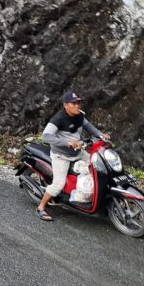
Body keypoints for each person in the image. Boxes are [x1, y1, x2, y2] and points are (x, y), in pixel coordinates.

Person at [36, 91, 110, 221]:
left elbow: (89, 127)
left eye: (78, 103)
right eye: (74, 103)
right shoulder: (58, 118)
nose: (77, 106)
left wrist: (100, 134)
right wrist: (66, 142)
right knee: (58, 184)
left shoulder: (80, 116)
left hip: (78, 152)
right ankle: (41, 207)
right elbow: (46, 136)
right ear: (65, 105)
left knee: (99, 167)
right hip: (61, 155)